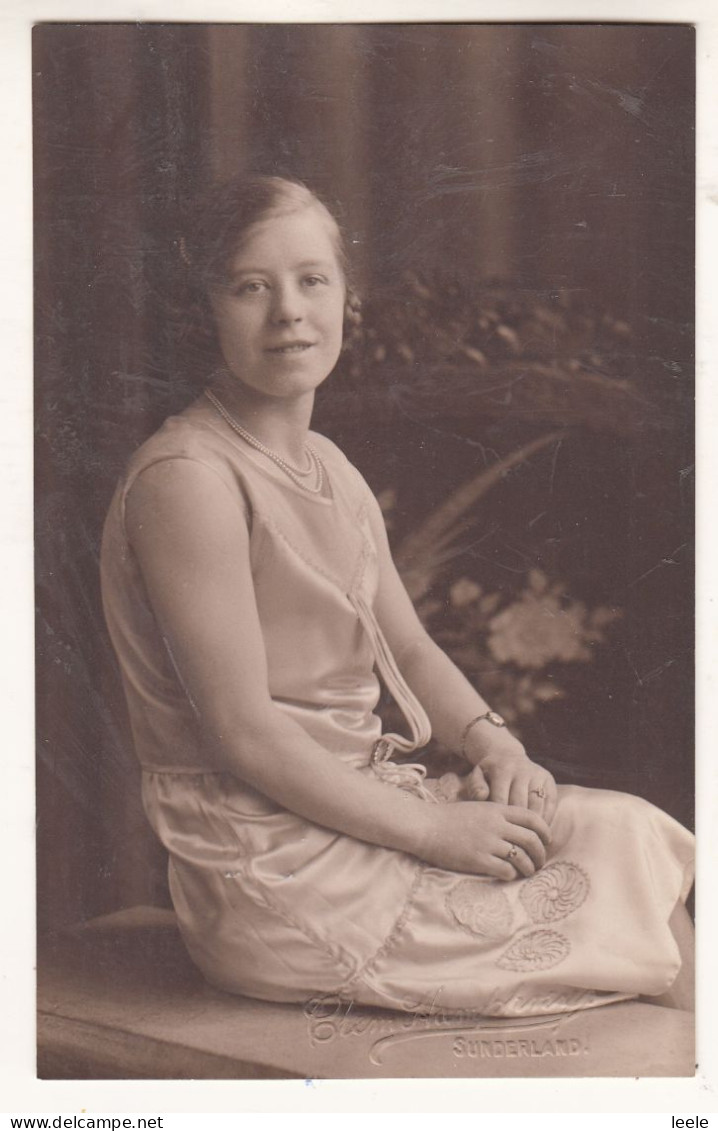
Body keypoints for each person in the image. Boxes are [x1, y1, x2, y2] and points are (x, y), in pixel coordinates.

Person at [100, 174, 694, 1018]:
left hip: (361, 815)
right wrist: (435, 830)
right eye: (250, 287)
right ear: (207, 309)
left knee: (622, 833)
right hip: (271, 864)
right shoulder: (188, 479)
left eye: (313, 280)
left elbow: (410, 648)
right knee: (624, 895)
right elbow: (243, 734)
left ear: (348, 297)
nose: (289, 314)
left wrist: (496, 745)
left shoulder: (330, 467)